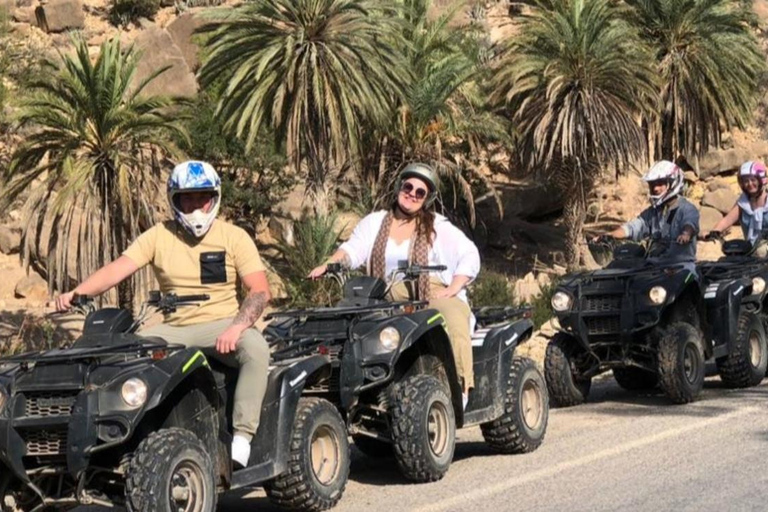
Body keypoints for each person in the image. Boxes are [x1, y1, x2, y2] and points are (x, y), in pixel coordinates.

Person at [54, 160, 271, 468]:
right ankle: (112, 436)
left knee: (256, 349)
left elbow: (260, 291)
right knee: (122, 354)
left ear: (214, 198)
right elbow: (118, 268)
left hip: (222, 324)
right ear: (175, 200)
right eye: (187, 199)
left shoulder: (234, 237)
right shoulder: (158, 235)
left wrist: (236, 328)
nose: (195, 207)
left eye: (202, 198)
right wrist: (78, 292)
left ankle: (242, 437)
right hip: (173, 328)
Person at [309, 163, 481, 405]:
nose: (412, 193)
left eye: (420, 192)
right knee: (341, 320)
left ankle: (459, 387)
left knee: (453, 315)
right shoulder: (375, 222)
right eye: (408, 186)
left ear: (427, 198)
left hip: (428, 292)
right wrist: (330, 264)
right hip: (381, 295)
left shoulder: (437, 226)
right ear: (399, 186)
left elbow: (469, 254)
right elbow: (352, 250)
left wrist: (454, 287)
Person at [594, 160, 699, 261]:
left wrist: (686, 234)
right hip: (654, 266)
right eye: (652, 184)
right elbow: (633, 227)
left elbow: (690, 224)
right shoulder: (652, 212)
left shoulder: (687, 209)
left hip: (681, 266)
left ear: (672, 183)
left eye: (659, 184)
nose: (655, 188)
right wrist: (610, 235)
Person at [706, 161, 768, 258]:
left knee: (762, 251)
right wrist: (715, 231)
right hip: (750, 250)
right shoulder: (743, 202)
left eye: (753, 180)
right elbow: (728, 219)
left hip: (764, 253)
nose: (749, 184)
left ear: (761, 180)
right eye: (746, 181)